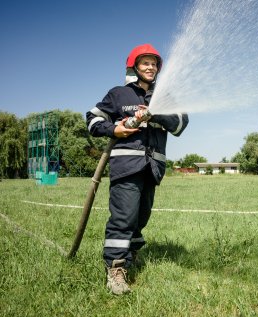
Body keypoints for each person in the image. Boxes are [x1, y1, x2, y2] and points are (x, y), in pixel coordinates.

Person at [86, 43, 189, 295]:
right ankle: (116, 268)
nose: (150, 67)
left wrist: (154, 114)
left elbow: (179, 126)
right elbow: (92, 119)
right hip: (126, 167)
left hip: (152, 167)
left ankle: (130, 256)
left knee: (140, 218)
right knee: (123, 219)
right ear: (134, 66)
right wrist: (114, 129)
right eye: (145, 63)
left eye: (154, 64)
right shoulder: (119, 94)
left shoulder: (163, 98)